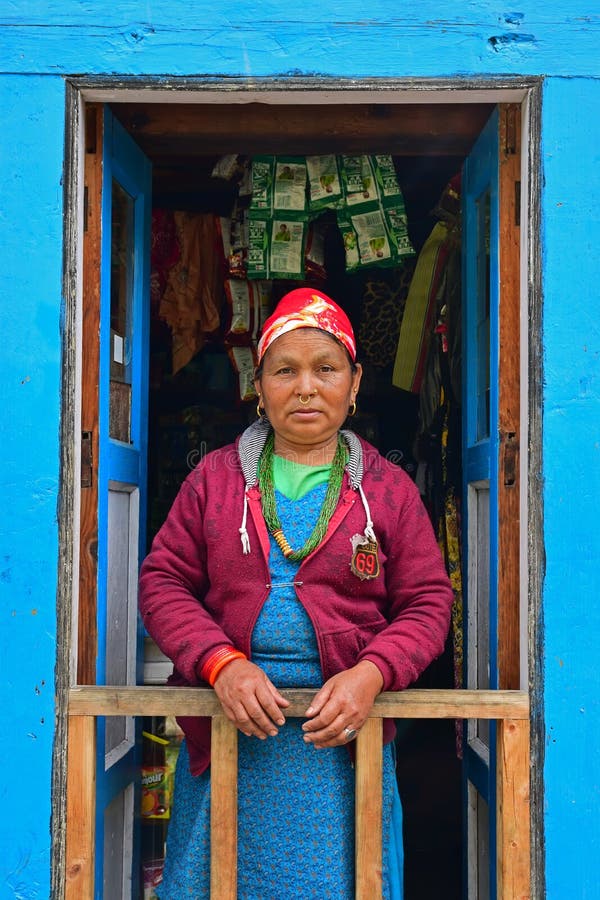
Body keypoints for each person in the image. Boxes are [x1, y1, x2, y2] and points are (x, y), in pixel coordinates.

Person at [139, 287, 453, 899]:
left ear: (355, 383)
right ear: (259, 384)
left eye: (326, 369)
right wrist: (219, 663)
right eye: (285, 370)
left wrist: (372, 673)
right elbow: (163, 580)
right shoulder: (214, 480)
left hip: (342, 738)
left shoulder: (386, 491)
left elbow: (428, 603)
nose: (305, 387)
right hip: (233, 726)